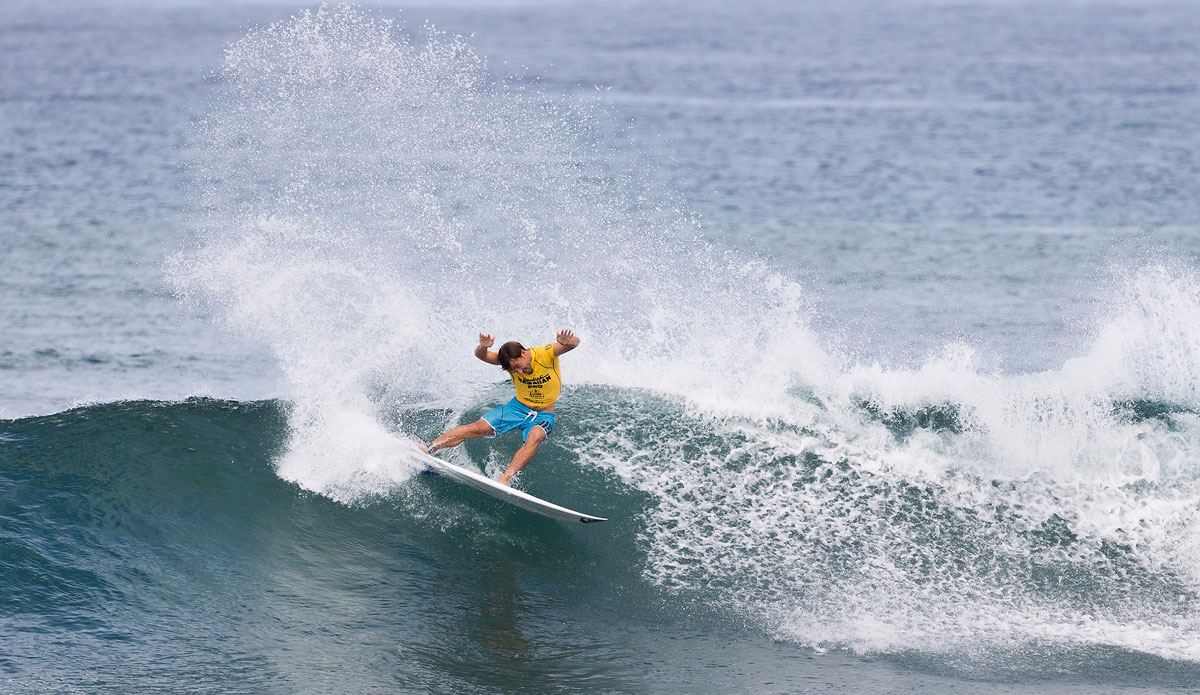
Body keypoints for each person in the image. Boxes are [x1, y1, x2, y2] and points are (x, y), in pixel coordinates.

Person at [425, 329, 580, 485]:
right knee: (478, 428)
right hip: (516, 408)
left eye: (518, 366)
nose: (519, 372)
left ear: (524, 353)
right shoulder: (508, 362)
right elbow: (481, 355)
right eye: (514, 370)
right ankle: (430, 447)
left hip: (543, 415)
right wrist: (483, 347)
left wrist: (567, 342)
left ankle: (504, 479)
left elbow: (575, 343)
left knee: (536, 436)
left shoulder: (545, 354)